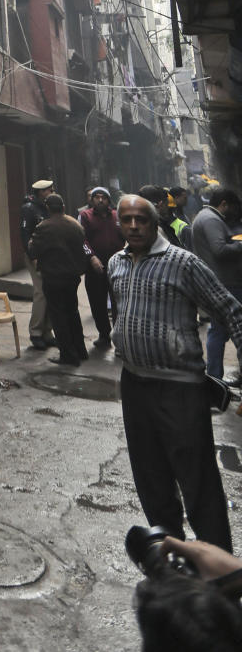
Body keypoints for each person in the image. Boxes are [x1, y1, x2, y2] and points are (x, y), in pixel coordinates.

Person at [107, 194, 242, 550]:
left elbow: (230, 310)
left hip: (180, 389)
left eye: (142, 219)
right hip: (135, 383)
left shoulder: (183, 263)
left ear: (155, 223)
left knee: (197, 480)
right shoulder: (115, 264)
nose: (134, 226)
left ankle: (218, 570)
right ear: (119, 223)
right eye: (127, 220)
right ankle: (171, 557)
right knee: (150, 476)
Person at [26, 193, 87, 366]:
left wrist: (32, 243)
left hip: (53, 277)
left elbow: (33, 250)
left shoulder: (44, 227)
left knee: (58, 316)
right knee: (72, 313)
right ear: (63, 207)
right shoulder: (75, 225)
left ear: (47, 208)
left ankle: (68, 355)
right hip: (72, 277)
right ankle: (80, 350)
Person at [189, 187, 242, 380]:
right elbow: (219, 249)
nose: (235, 213)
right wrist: (240, 244)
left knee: (218, 330)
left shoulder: (205, 217)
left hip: (219, 282)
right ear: (224, 204)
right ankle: (214, 378)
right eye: (234, 207)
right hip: (225, 283)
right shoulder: (211, 219)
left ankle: (214, 377)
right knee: (221, 331)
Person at [77, 186, 124, 349]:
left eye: (103, 197)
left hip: (117, 267)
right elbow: (81, 240)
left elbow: (126, 236)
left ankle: (120, 336)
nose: (100, 199)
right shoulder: (85, 216)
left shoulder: (117, 215)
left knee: (119, 303)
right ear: (92, 200)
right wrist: (91, 257)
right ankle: (104, 335)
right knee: (98, 303)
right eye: (97, 197)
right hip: (95, 268)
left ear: (109, 200)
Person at [19, 178, 56, 350]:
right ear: (41, 192)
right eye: (49, 190)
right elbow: (25, 235)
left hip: (49, 255)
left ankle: (47, 332)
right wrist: (33, 257)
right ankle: (35, 332)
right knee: (41, 292)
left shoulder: (46, 207)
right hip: (36, 256)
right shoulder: (29, 209)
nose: (52, 191)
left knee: (50, 292)